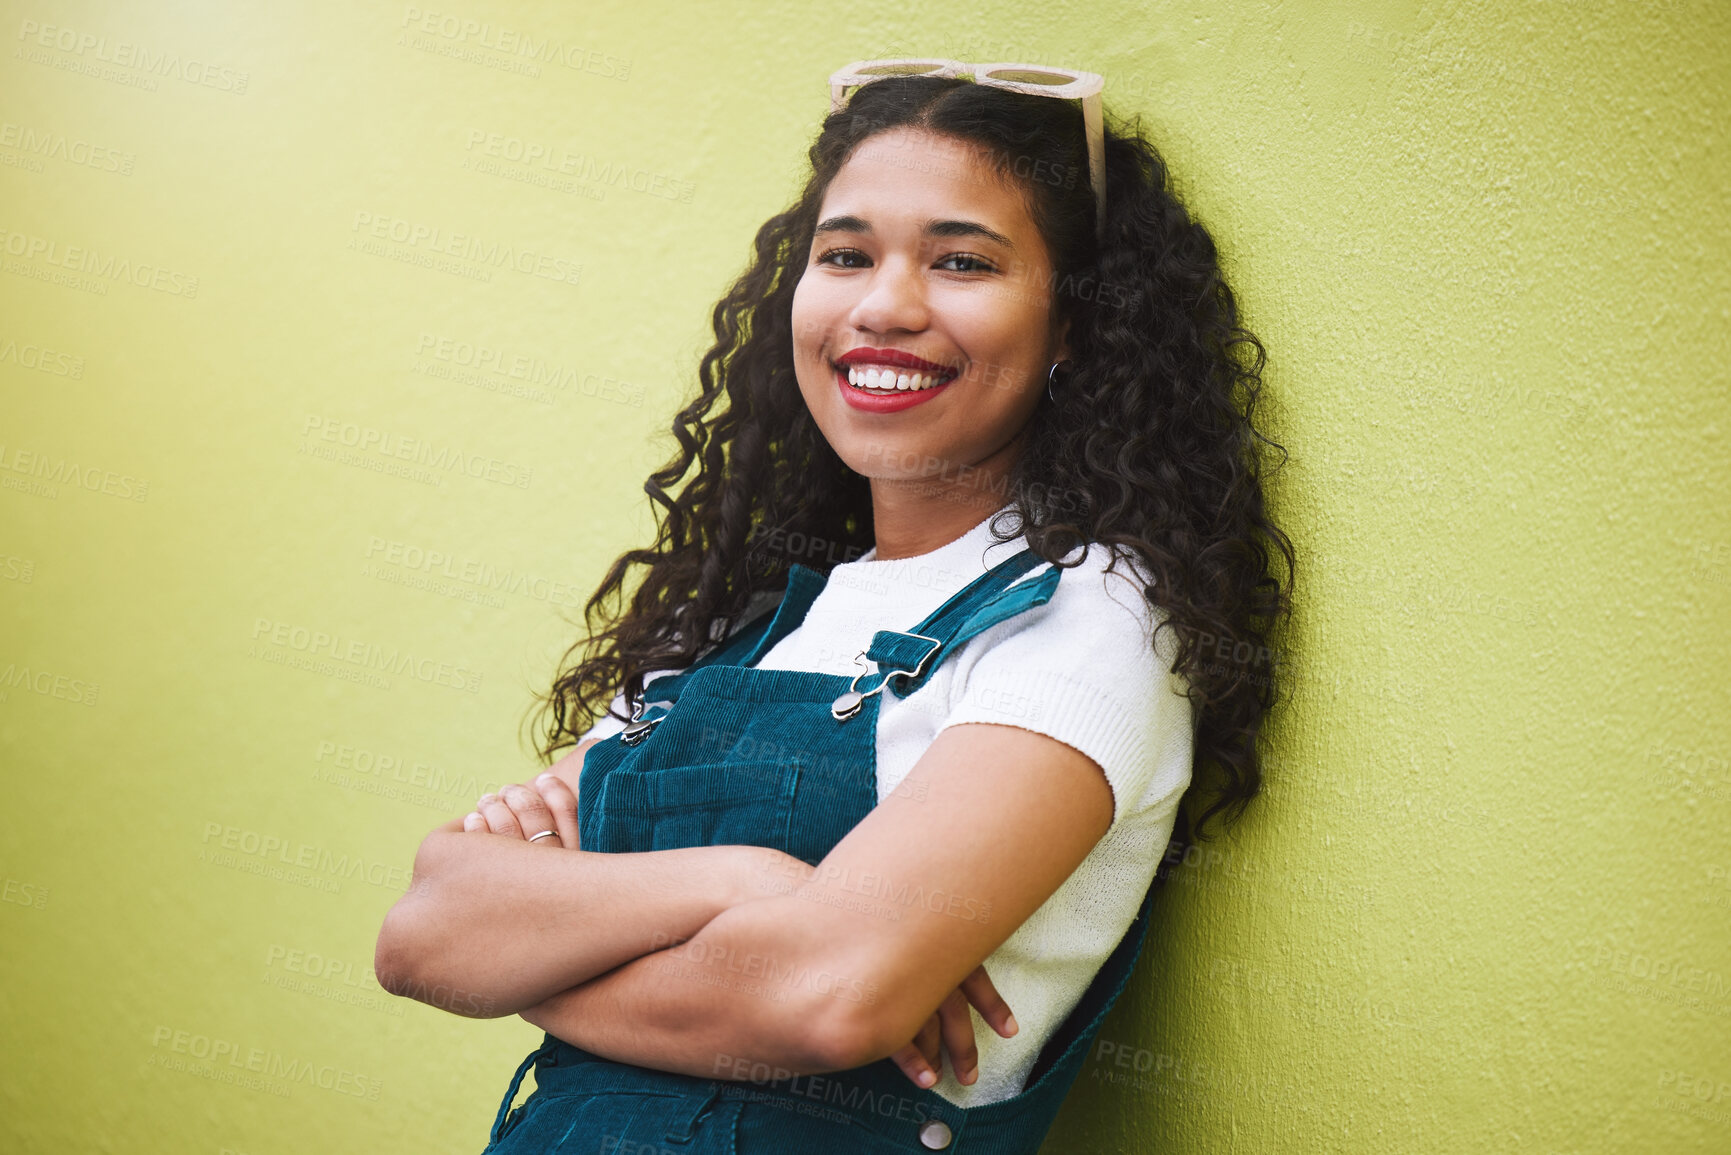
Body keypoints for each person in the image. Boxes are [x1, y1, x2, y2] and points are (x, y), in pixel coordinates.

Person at [375, 58, 1293, 1154]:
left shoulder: (1085, 616)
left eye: (962, 261)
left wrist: (538, 961)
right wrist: (749, 880)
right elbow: (426, 932)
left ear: (1073, 330)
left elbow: (827, 998)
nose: (885, 306)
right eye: (846, 254)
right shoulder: (743, 630)